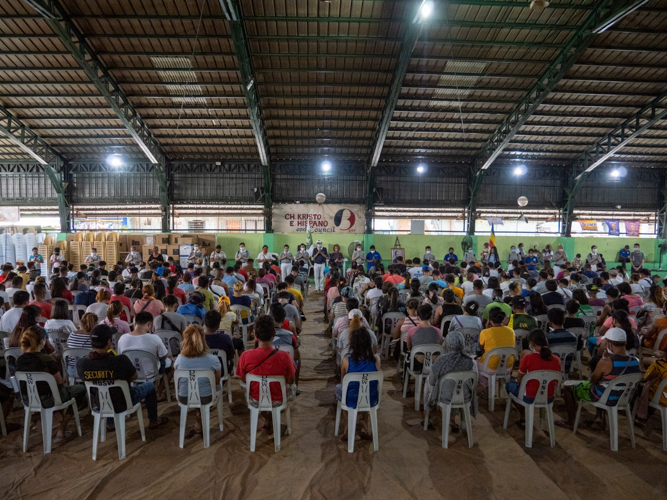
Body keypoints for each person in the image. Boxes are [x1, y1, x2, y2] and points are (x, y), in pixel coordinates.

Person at [77, 324, 168, 430]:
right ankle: (153, 420)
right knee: (150, 386)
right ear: (109, 342)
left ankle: (110, 423)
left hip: (100, 403)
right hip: (123, 402)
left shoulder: (82, 363)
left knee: (106, 391)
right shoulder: (120, 360)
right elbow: (134, 377)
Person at [16, 326, 87, 443]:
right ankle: (62, 426)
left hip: (28, 400)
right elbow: (59, 384)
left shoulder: (19, 360)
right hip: (48, 399)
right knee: (80, 389)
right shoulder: (47, 359)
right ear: (42, 341)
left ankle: (58, 421)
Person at [560, 327, 639, 430]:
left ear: (609, 343)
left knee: (567, 388)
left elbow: (593, 380)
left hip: (604, 398)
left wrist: (603, 358)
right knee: (603, 385)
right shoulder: (635, 361)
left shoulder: (606, 362)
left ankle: (571, 422)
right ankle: (599, 418)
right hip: (623, 398)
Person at [236, 315, 296, 434]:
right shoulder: (285, 356)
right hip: (279, 399)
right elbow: (291, 381)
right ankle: (272, 418)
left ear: (255, 334)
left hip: (255, 399)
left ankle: (267, 418)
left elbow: (243, 379)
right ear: (274, 333)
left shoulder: (245, 356)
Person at [505, 329, 561, 428]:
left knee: (509, 385)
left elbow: (519, 380)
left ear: (531, 344)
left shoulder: (528, 358)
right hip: (549, 397)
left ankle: (523, 414)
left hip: (529, 396)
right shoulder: (556, 360)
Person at [174, 323, 222, 439]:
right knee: (211, 389)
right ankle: (201, 419)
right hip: (206, 397)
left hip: (184, 396)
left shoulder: (180, 359)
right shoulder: (212, 359)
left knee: (194, 388)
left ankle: (198, 420)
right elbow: (216, 381)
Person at [423, 330, 477, 431]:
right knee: (457, 386)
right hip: (465, 396)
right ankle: (453, 419)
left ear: (448, 344)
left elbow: (432, 381)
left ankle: (427, 414)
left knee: (428, 382)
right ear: (462, 343)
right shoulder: (471, 362)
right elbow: (474, 383)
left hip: (445, 396)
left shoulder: (441, 360)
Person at [335, 327, 381, 440]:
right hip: (371, 398)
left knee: (340, 389)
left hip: (351, 398)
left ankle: (347, 425)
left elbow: (343, 379)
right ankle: (364, 422)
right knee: (367, 388)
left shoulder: (346, 361)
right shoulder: (376, 359)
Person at [118, 312, 170, 379]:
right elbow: (164, 356)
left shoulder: (122, 338)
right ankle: (159, 389)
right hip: (151, 374)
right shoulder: (154, 338)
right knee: (170, 363)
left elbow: (120, 357)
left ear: (135, 323)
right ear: (149, 324)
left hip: (131, 373)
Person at [476, 307, 515, 387]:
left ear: (489, 320)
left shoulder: (485, 332)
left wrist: (487, 329)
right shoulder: (511, 331)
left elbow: (480, 348)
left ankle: (485, 385)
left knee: (474, 364)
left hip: (491, 368)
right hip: (507, 367)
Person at [65, 312, 98, 378]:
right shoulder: (95, 337)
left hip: (72, 371)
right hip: (89, 372)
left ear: (81, 323)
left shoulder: (72, 335)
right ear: (96, 324)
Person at [545, 308, 578, 373]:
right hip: (566, 368)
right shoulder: (573, 336)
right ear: (564, 321)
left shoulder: (548, 337)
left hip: (550, 370)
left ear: (550, 323)